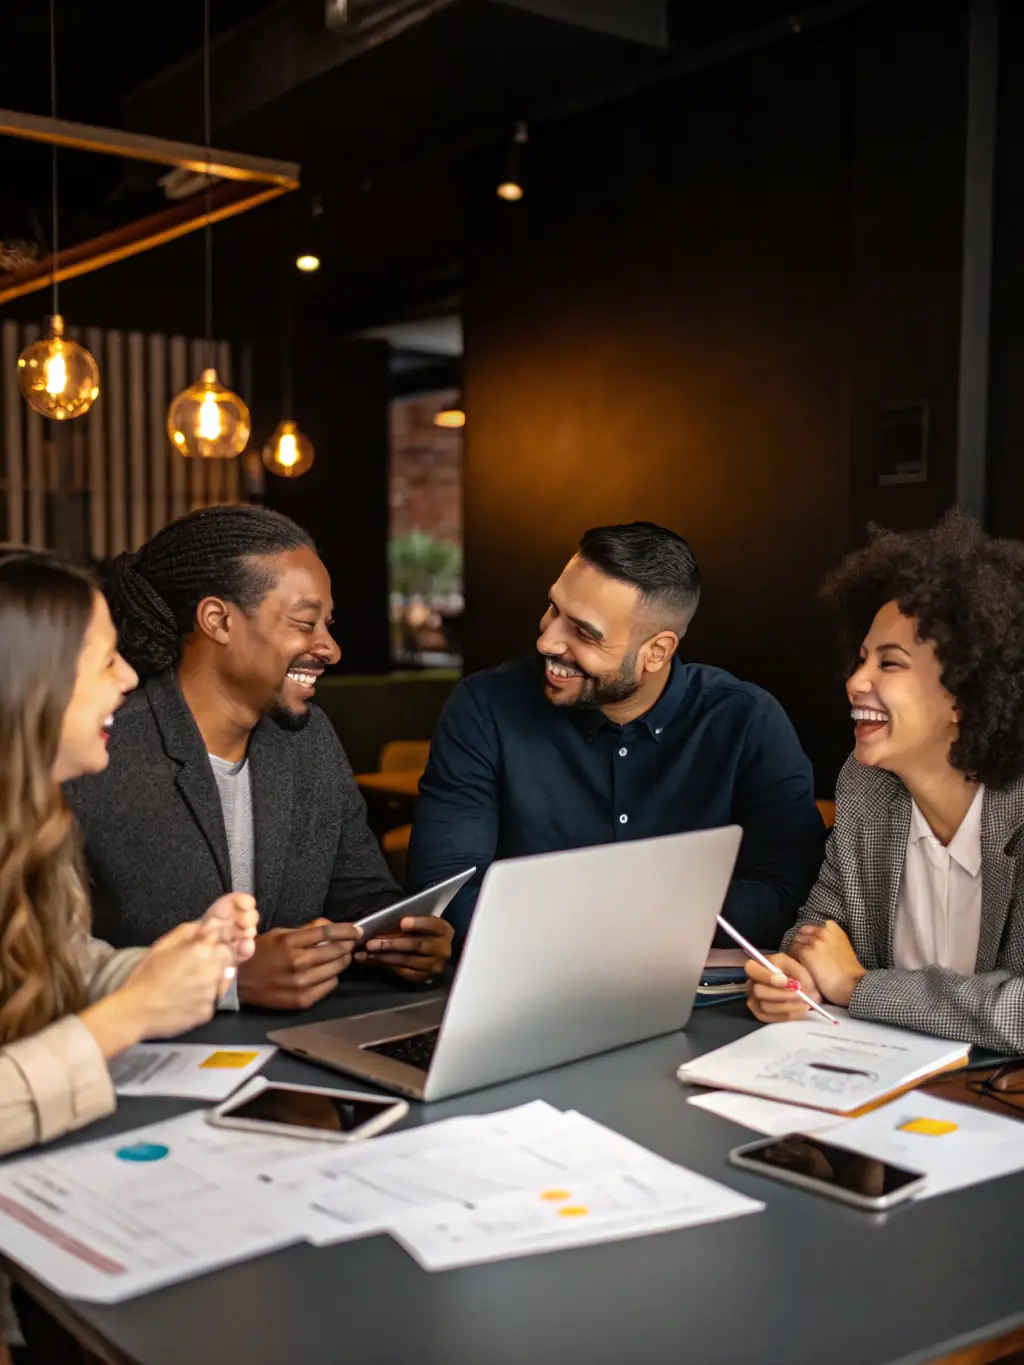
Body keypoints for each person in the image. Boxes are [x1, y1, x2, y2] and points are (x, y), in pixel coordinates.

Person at [65, 505, 453, 1010]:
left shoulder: (308, 740)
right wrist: (231, 980)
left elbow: (357, 891)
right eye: (304, 623)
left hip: (302, 1041)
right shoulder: (99, 751)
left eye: (327, 624)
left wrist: (400, 937)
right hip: (148, 1047)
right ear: (218, 621)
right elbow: (50, 961)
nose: (330, 649)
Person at [407, 521, 826, 946]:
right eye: (554, 609)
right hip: (517, 980)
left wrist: (590, 919)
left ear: (656, 652)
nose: (547, 641)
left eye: (584, 633)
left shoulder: (745, 720)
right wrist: (653, 916)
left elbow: (790, 895)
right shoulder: (485, 707)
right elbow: (443, 895)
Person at [0, 550, 257, 1158]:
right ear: (31, 686)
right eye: (105, 660)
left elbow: (68, 967)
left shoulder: (35, 826)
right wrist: (133, 1014)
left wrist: (172, 967)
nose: (130, 678)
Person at [746, 511, 1024, 1054]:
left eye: (889, 664)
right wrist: (793, 977)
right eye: (861, 659)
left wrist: (858, 987)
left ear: (966, 694)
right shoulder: (867, 786)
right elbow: (819, 932)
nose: (855, 681)